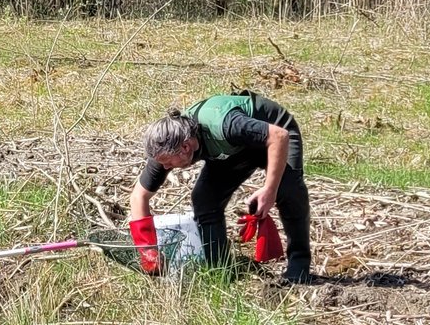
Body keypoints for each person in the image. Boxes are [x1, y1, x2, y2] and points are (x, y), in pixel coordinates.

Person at [127, 92, 312, 283]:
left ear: (185, 147)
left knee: (288, 190)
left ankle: (299, 268)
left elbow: (279, 136)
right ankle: (220, 270)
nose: (165, 168)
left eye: (167, 162)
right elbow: (138, 197)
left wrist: (270, 189)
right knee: (205, 199)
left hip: (275, 133)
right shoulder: (163, 148)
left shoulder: (226, 125)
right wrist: (149, 253)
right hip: (233, 149)